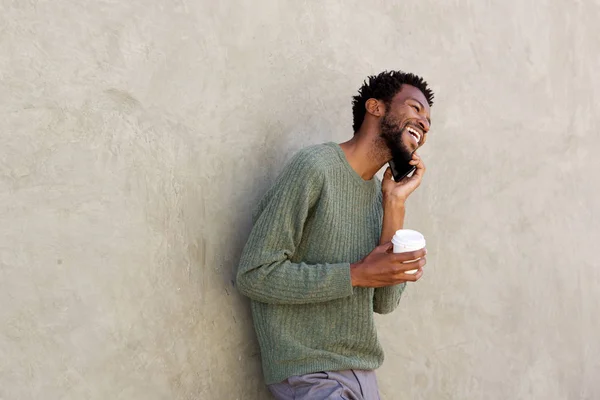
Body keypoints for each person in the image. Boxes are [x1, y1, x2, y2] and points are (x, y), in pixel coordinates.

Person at [236, 70, 434, 399]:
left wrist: (394, 204)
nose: (424, 124)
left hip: (362, 377)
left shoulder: (379, 197)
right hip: (311, 373)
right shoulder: (315, 168)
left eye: (428, 120)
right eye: (415, 108)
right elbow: (254, 274)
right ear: (376, 107)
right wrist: (355, 274)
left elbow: (384, 302)